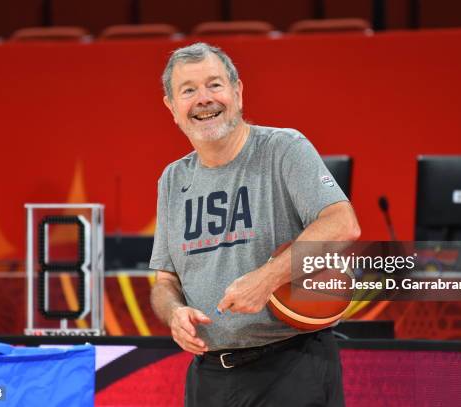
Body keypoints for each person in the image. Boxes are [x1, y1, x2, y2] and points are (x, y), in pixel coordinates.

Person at [150, 42, 361, 407]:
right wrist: (173, 313)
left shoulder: (283, 149)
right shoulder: (172, 179)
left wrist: (266, 278)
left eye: (215, 85)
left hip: (292, 366)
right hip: (210, 376)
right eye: (188, 90)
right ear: (172, 107)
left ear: (238, 91)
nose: (204, 99)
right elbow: (165, 281)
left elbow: (342, 224)